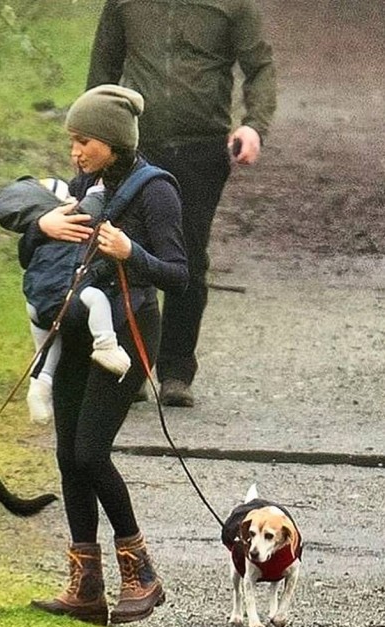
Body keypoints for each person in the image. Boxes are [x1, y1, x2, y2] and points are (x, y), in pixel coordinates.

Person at [24, 84, 188, 625]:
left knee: (91, 452)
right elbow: (42, 252)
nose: (75, 152)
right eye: (72, 141)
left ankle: (141, 573)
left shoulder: (156, 191)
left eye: (85, 141)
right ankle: (86, 586)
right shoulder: (82, 185)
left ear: (114, 142)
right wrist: (40, 225)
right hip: (77, 328)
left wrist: (130, 251)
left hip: (131, 334)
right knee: (68, 456)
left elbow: (180, 275)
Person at [87, 0, 277, 407]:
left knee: (186, 254)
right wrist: (93, 136)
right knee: (120, 250)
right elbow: (103, 69)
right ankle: (130, 366)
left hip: (202, 148)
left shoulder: (233, 6)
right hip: (136, 145)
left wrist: (253, 124)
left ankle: (175, 371)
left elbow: (259, 67)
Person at [0, 176, 131, 425]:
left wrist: (38, 227)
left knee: (47, 352)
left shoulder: (39, 227)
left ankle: (39, 386)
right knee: (96, 298)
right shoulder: (79, 218)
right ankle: (106, 345)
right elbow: (99, 202)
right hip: (69, 298)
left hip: (36, 303)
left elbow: (25, 257)